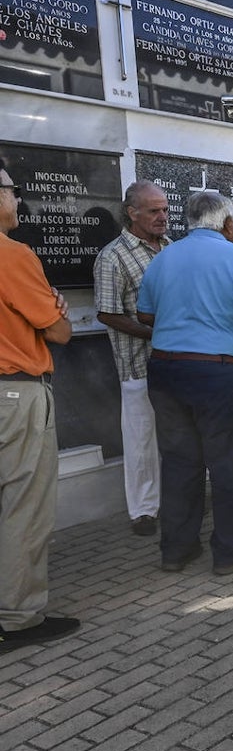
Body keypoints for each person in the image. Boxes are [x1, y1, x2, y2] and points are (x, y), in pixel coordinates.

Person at [137, 190, 233, 576]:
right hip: (220, 373)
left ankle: (176, 550)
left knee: (179, 463)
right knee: (230, 465)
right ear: (228, 223)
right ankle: (230, 551)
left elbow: (146, 315)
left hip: (166, 369)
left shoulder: (164, 258)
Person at [0, 161, 78, 653]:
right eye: (11, 190)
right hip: (14, 392)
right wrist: (56, 310)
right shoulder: (12, 255)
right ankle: (19, 616)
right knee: (24, 506)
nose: (18, 199)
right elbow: (58, 330)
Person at [94, 181, 171, 537]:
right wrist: (157, 334)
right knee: (141, 440)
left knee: (175, 436)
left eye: (165, 209)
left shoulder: (171, 248)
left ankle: (175, 501)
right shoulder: (114, 256)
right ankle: (144, 511)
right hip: (138, 365)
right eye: (154, 211)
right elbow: (108, 313)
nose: (162, 217)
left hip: (176, 363)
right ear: (132, 212)